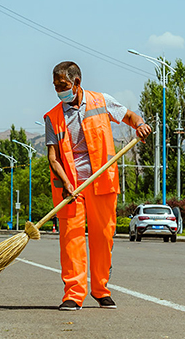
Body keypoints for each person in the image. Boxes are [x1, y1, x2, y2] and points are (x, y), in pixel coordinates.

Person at [44, 61, 151, 310]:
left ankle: (101, 290)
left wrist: (140, 125)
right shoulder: (52, 117)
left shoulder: (101, 101)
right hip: (70, 188)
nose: (59, 90)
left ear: (77, 82)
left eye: (63, 85)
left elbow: (129, 116)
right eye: (56, 86)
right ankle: (73, 294)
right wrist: (67, 183)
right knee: (71, 240)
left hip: (102, 182)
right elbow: (53, 157)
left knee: (103, 238)